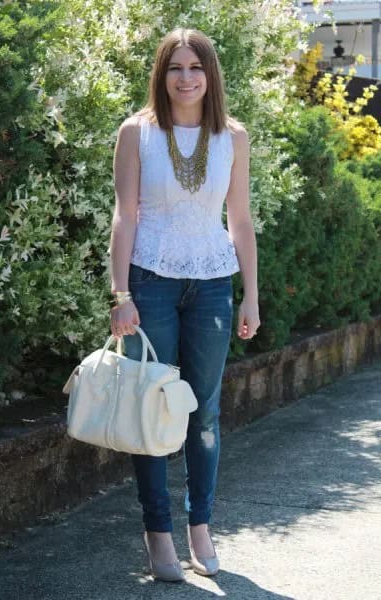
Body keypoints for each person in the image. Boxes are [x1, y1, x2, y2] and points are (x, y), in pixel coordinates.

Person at [108, 27, 260, 582]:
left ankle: (201, 527)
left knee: (204, 413)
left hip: (213, 286)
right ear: (162, 74)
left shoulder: (233, 138)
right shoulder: (137, 133)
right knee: (153, 408)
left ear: (211, 74)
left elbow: (239, 221)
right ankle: (158, 532)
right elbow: (125, 216)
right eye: (176, 67)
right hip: (148, 283)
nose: (187, 77)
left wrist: (252, 295)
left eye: (196, 67)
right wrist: (120, 293)